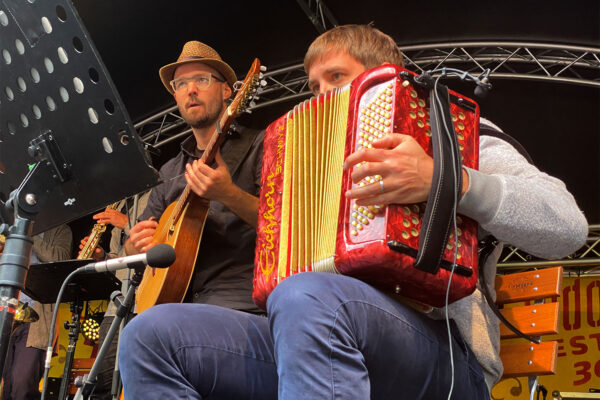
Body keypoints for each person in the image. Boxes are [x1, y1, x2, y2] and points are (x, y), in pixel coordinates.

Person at [118, 25, 588, 400]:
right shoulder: (304, 164)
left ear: (383, 74)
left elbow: (567, 226)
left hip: (441, 353)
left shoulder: (446, 132)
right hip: (309, 333)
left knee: (306, 295)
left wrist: (446, 179)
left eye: (337, 78)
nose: (321, 94)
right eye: (314, 85)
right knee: (150, 336)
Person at [77, 192, 151, 399]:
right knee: (103, 380)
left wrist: (127, 223)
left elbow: (161, 240)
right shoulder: (121, 203)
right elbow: (119, 259)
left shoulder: (157, 195)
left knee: (137, 379)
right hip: (117, 302)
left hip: (144, 301)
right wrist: (101, 257)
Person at [1, 224, 73, 400]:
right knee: (5, 387)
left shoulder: (60, 230)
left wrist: (27, 234)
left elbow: (60, 258)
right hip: (5, 312)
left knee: (22, 385)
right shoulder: (8, 228)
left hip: (36, 320)